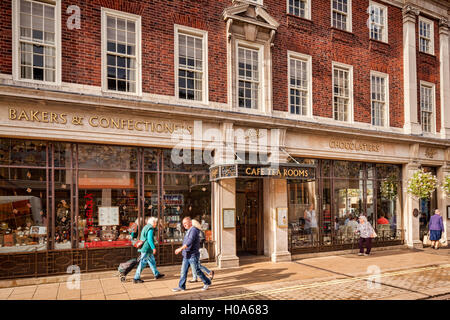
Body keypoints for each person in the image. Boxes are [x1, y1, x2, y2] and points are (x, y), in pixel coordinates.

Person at [172, 217, 212, 292]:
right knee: (183, 271)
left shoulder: (193, 230)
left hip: (193, 255)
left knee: (197, 270)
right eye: (183, 224)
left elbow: (189, 242)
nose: (184, 225)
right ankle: (181, 286)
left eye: (185, 223)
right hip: (186, 255)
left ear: (190, 223)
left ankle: (207, 282)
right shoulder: (189, 230)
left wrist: (180, 249)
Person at [133, 217, 165, 283]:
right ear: (153, 222)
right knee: (142, 263)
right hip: (146, 248)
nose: (156, 224)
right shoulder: (150, 228)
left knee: (152, 261)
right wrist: (153, 248)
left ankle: (156, 274)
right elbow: (150, 239)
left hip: (146, 248)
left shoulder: (146, 227)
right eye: (155, 222)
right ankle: (136, 278)